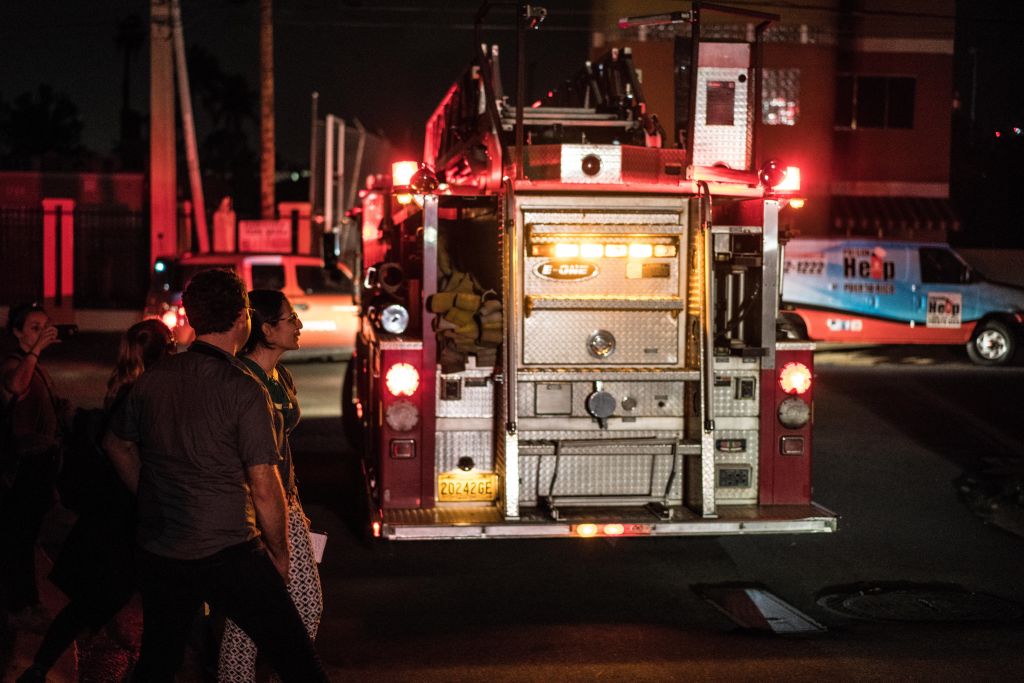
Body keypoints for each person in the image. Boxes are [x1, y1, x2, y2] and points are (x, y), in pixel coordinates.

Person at [102, 269, 329, 682]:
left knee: (158, 660)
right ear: (244, 318)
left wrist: (150, 492)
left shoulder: (155, 379)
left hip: (162, 547)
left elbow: (116, 443)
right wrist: (278, 553)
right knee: (296, 657)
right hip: (229, 548)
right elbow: (264, 481)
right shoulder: (242, 388)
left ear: (191, 317)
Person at [16, 319, 175, 683]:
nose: (175, 351)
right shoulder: (142, 394)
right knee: (140, 597)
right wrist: (148, 496)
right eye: (169, 346)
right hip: (128, 515)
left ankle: (42, 666)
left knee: (104, 598)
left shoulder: (127, 388)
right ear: (161, 353)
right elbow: (121, 448)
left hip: (113, 514)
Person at [218, 290, 323, 681]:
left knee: (283, 607)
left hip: (284, 499)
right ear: (266, 329)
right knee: (271, 609)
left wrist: (294, 501)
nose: (299, 326)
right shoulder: (243, 378)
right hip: (254, 505)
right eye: (291, 318)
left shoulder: (282, 375)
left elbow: (282, 445)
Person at [1, 302, 69, 629]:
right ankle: (17, 606)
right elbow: (15, 386)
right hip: (21, 467)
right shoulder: (15, 362)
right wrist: (35, 352)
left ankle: (27, 601)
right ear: (16, 331)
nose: (41, 334)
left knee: (28, 537)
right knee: (17, 537)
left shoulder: (35, 364)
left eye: (46, 327)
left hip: (40, 465)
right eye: (33, 328)